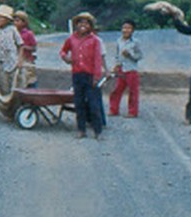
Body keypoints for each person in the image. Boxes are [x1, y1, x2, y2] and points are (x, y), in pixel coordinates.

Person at [60, 11, 105, 139]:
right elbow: (63, 51)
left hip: (90, 76)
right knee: (78, 103)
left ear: (90, 26)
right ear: (76, 24)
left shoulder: (95, 41)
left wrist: (97, 77)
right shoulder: (71, 39)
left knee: (93, 104)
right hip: (77, 75)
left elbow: (97, 59)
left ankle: (98, 131)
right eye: (81, 22)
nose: (83, 25)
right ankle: (81, 130)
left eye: (86, 23)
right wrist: (66, 58)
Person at [0, 4, 23, 120]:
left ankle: (16, 111)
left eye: (1, 17)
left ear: (7, 20)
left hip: (13, 63)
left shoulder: (12, 30)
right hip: (2, 64)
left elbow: (20, 45)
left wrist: (20, 60)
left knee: (15, 88)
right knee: (4, 88)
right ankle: (8, 113)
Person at [109, 19, 143, 118]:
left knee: (133, 92)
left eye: (128, 28)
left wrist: (130, 55)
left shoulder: (136, 42)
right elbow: (117, 55)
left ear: (132, 30)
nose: (126, 30)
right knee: (116, 90)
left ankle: (133, 112)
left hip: (131, 69)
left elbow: (139, 56)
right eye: (124, 28)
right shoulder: (119, 41)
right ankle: (113, 109)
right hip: (121, 69)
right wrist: (116, 65)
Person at [13, 10, 38, 88]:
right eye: (14, 21)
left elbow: (34, 48)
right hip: (15, 60)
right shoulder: (12, 33)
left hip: (27, 61)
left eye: (18, 21)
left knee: (29, 80)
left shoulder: (28, 34)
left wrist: (23, 47)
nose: (15, 23)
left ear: (24, 23)